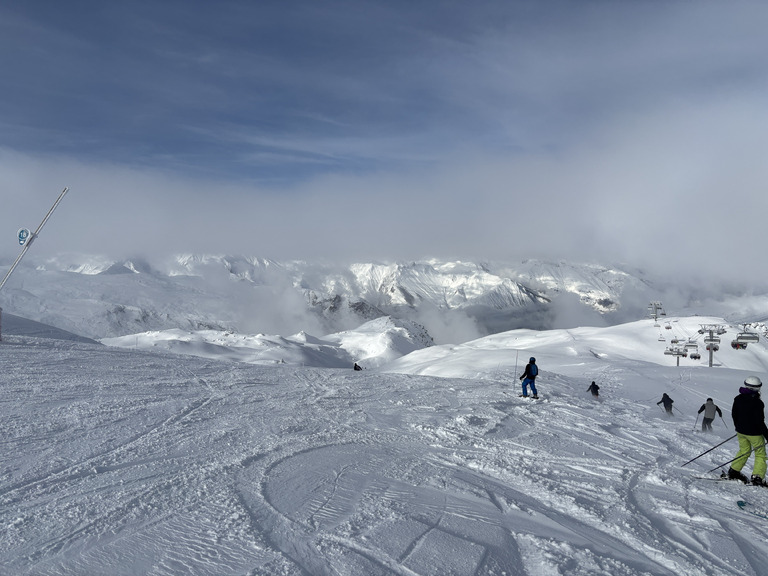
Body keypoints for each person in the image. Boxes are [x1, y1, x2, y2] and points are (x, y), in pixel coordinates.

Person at [725, 376, 768, 486]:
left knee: (744, 451)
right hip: (755, 434)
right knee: (760, 454)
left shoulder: (738, 398)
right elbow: (759, 421)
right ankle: (757, 477)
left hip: (741, 431)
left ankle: (733, 471)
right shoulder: (758, 403)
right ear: (757, 388)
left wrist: (739, 427)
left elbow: (734, 414)